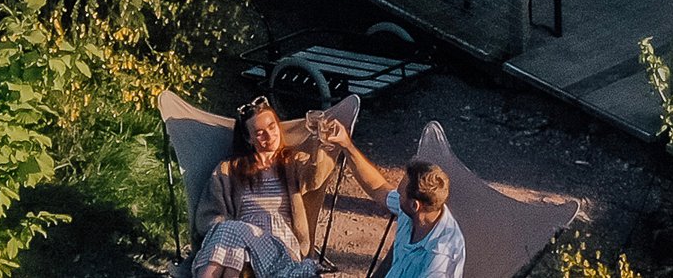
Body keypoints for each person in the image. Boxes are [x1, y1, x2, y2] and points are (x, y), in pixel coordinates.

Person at [192, 96, 332, 278]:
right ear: (248, 138)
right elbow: (208, 215)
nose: (269, 135)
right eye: (259, 133)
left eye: (272, 127)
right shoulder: (228, 168)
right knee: (231, 237)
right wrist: (226, 228)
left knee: (232, 231)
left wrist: (317, 146)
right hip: (240, 243)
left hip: (281, 245)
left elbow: (314, 179)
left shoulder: (293, 162)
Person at [324, 120, 467, 278]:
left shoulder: (439, 257)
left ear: (415, 205)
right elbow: (378, 188)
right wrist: (347, 145)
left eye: (400, 193)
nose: (396, 194)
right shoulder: (415, 213)